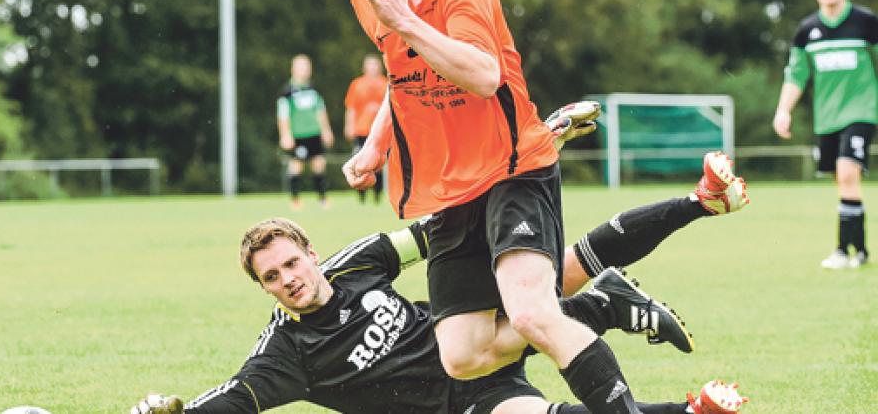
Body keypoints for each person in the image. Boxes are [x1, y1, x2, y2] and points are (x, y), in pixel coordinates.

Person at [324, 0, 731, 411]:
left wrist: (406, 21)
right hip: (450, 190)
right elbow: (405, 76)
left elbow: (484, 75)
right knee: (463, 354)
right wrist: (377, 145)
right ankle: (604, 302)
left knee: (532, 311)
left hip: (513, 167)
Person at [131, 171, 749, 413]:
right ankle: (689, 404)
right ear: (263, 288)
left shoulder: (355, 265)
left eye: (292, 262)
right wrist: (173, 412)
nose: (288, 279)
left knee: (567, 264)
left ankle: (691, 208)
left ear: (311, 254)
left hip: (473, 331)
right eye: (272, 276)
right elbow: (236, 399)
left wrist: (511, 170)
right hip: (466, 402)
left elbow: (430, 233)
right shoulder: (285, 353)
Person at [772, 0, 878, 270]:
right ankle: (860, 249)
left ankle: (843, 251)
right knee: (844, 181)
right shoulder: (807, 31)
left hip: (861, 111)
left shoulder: (866, 23)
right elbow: (796, 75)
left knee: (847, 173)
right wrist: (783, 110)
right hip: (827, 118)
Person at [277, 54, 335, 209]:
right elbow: (282, 115)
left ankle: (322, 198)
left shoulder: (313, 88)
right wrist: (285, 135)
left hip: (314, 133)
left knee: (319, 164)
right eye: (301, 66)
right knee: (296, 165)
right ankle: (295, 199)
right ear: (293, 69)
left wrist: (326, 131)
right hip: (297, 135)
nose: (305, 70)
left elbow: (320, 111)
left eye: (307, 66)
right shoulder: (287, 91)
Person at [344, 54, 389, 204]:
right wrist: (349, 126)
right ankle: (361, 194)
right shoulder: (357, 84)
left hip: (380, 131)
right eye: (370, 65)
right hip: (361, 130)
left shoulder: (386, 83)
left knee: (378, 163)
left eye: (375, 65)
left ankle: (377, 195)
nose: (373, 68)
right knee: (360, 163)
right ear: (364, 68)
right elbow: (351, 108)